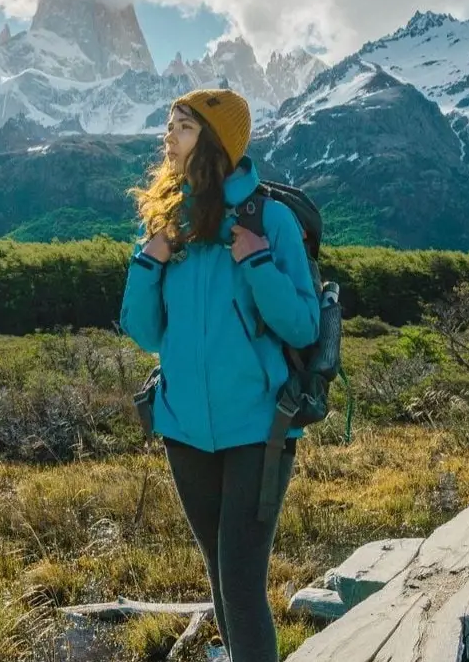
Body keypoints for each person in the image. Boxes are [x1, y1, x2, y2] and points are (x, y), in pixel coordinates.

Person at [118, 88, 322, 661]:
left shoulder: (269, 220)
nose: (169, 136)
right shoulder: (169, 221)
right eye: (170, 124)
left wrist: (256, 260)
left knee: (240, 584)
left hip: (261, 429)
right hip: (184, 428)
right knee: (220, 579)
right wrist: (147, 261)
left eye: (182, 126)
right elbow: (146, 332)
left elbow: (303, 326)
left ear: (213, 141)